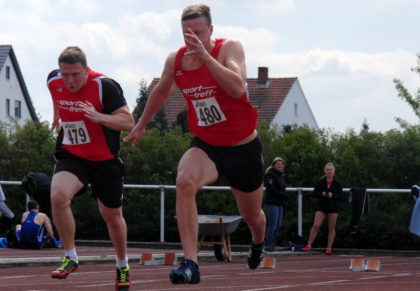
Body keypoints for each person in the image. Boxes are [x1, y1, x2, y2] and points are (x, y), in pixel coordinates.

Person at [124, 4, 266, 284]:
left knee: (252, 215)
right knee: (185, 181)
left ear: (211, 30)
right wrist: (141, 123)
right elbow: (162, 90)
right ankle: (191, 262)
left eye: (198, 33)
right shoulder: (176, 60)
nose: (192, 39)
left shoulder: (229, 49)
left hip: (242, 146)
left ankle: (258, 243)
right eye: (186, 33)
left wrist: (207, 58)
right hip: (207, 143)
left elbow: (237, 87)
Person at [47, 46, 134, 290]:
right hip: (72, 155)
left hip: (104, 160)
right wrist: (56, 114)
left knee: (112, 216)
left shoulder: (105, 86)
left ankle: (122, 265)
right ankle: (70, 257)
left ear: (86, 70)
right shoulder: (53, 80)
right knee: (58, 196)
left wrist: (99, 117)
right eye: (66, 75)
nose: (70, 80)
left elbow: (128, 121)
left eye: (75, 75)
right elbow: (57, 95)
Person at [302, 162, 343, 255]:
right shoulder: (320, 182)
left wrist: (333, 195)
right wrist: (322, 194)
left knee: (331, 228)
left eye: (330, 169)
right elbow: (314, 193)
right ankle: (309, 245)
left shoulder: (337, 183)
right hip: (322, 206)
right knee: (316, 225)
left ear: (334, 171)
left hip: (333, 207)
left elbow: (341, 196)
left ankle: (329, 248)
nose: (329, 171)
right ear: (324, 171)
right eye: (327, 169)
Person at [264, 157, 288, 251]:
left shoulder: (281, 176)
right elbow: (271, 189)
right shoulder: (270, 175)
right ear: (273, 165)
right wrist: (283, 195)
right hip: (272, 203)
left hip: (279, 203)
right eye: (278, 163)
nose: (279, 165)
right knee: (272, 224)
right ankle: (268, 244)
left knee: (278, 224)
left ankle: (273, 243)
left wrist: (284, 196)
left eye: (281, 164)